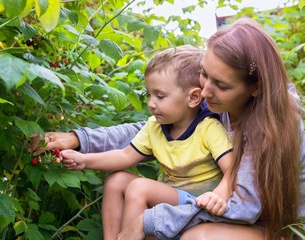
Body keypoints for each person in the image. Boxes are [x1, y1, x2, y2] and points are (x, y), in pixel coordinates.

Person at [28, 18, 305, 240]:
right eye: (205, 74)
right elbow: (152, 131)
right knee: (120, 182)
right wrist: (78, 139)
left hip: (267, 224)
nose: (206, 91)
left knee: (197, 237)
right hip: (211, 201)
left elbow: (245, 207)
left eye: (221, 85)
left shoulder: (275, 128)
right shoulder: (216, 102)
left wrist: (150, 221)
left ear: (255, 88)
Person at [59, 45, 234, 240]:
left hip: (198, 206)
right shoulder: (155, 127)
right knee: (116, 181)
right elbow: (125, 155)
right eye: (149, 94)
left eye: (160, 96)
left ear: (193, 98)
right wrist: (84, 160)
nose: (151, 103)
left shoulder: (208, 128)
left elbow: (232, 169)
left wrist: (218, 196)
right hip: (171, 197)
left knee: (139, 187)